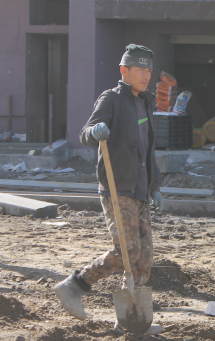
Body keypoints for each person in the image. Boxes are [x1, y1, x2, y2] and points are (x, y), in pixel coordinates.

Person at [54, 44, 163, 320]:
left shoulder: (146, 102)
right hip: (118, 185)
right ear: (124, 70)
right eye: (140, 69)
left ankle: (129, 317)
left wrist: (156, 186)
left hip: (141, 190)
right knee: (126, 250)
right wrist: (95, 131)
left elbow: (147, 149)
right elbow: (85, 134)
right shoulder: (111, 99)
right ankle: (75, 285)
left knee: (144, 260)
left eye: (149, 70)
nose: (146, 75)